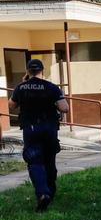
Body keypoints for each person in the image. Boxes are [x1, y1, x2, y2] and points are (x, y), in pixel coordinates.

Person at [8, 59, 69, 212]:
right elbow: (65, 108)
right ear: (42, 70)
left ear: (28, 71)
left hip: (31, 130)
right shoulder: (52, 87)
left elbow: (11, 105)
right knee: (49, 161)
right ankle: (51, 192)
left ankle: (43, 194)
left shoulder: (21, 87)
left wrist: (23, 84)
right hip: (49, 129)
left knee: (35, 161)